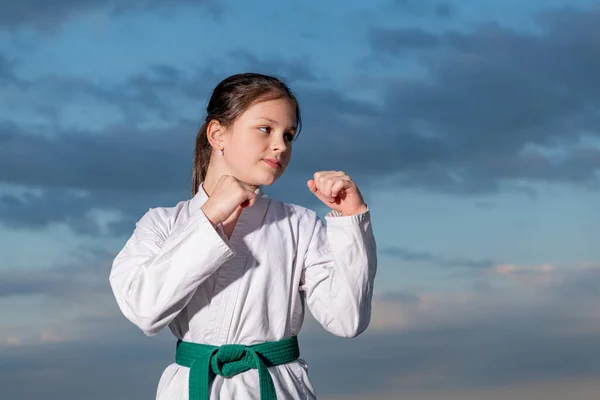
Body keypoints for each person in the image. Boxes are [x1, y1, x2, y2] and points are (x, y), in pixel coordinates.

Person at [109, 72, 377, 400]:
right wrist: (209, 217)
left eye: (289, 135)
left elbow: (347, 320)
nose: (280, 145)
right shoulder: (162, 223)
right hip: (191, 388)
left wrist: (352, 219)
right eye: (266, 128)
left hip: (276, 388)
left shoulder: (300, 224)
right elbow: (144, 310)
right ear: (217, 134)